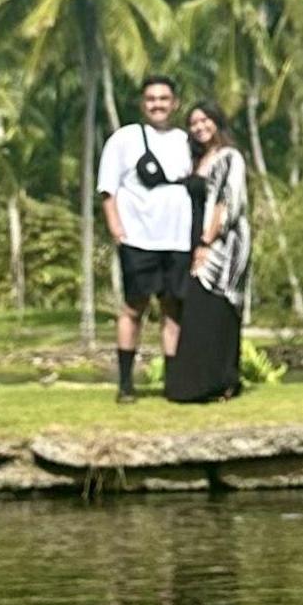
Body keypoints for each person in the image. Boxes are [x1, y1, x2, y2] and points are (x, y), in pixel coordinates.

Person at [98, 73, 193, 403]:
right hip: (139, 238)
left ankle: (174, 382)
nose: (158, 105)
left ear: (175, 103)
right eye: (152, 99)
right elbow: (107, 189)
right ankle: (125, 383)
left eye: (164, 99)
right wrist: (117, 228)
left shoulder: (185, 141)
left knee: (173, 309)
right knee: (133, 307)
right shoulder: (125, 139)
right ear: (143, 103)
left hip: (177, 239)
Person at [166, 101, 251, 404]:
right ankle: (196, 383)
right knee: (198, 314)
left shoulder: (230, 157)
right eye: (193, 123)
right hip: (195, 241)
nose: (199, 127)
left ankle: (223, 383)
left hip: (222, 247)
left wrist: (206, 243)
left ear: (217, 122)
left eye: (205, 120)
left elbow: (226, 204)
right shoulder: (197, 159)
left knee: (217, 311)